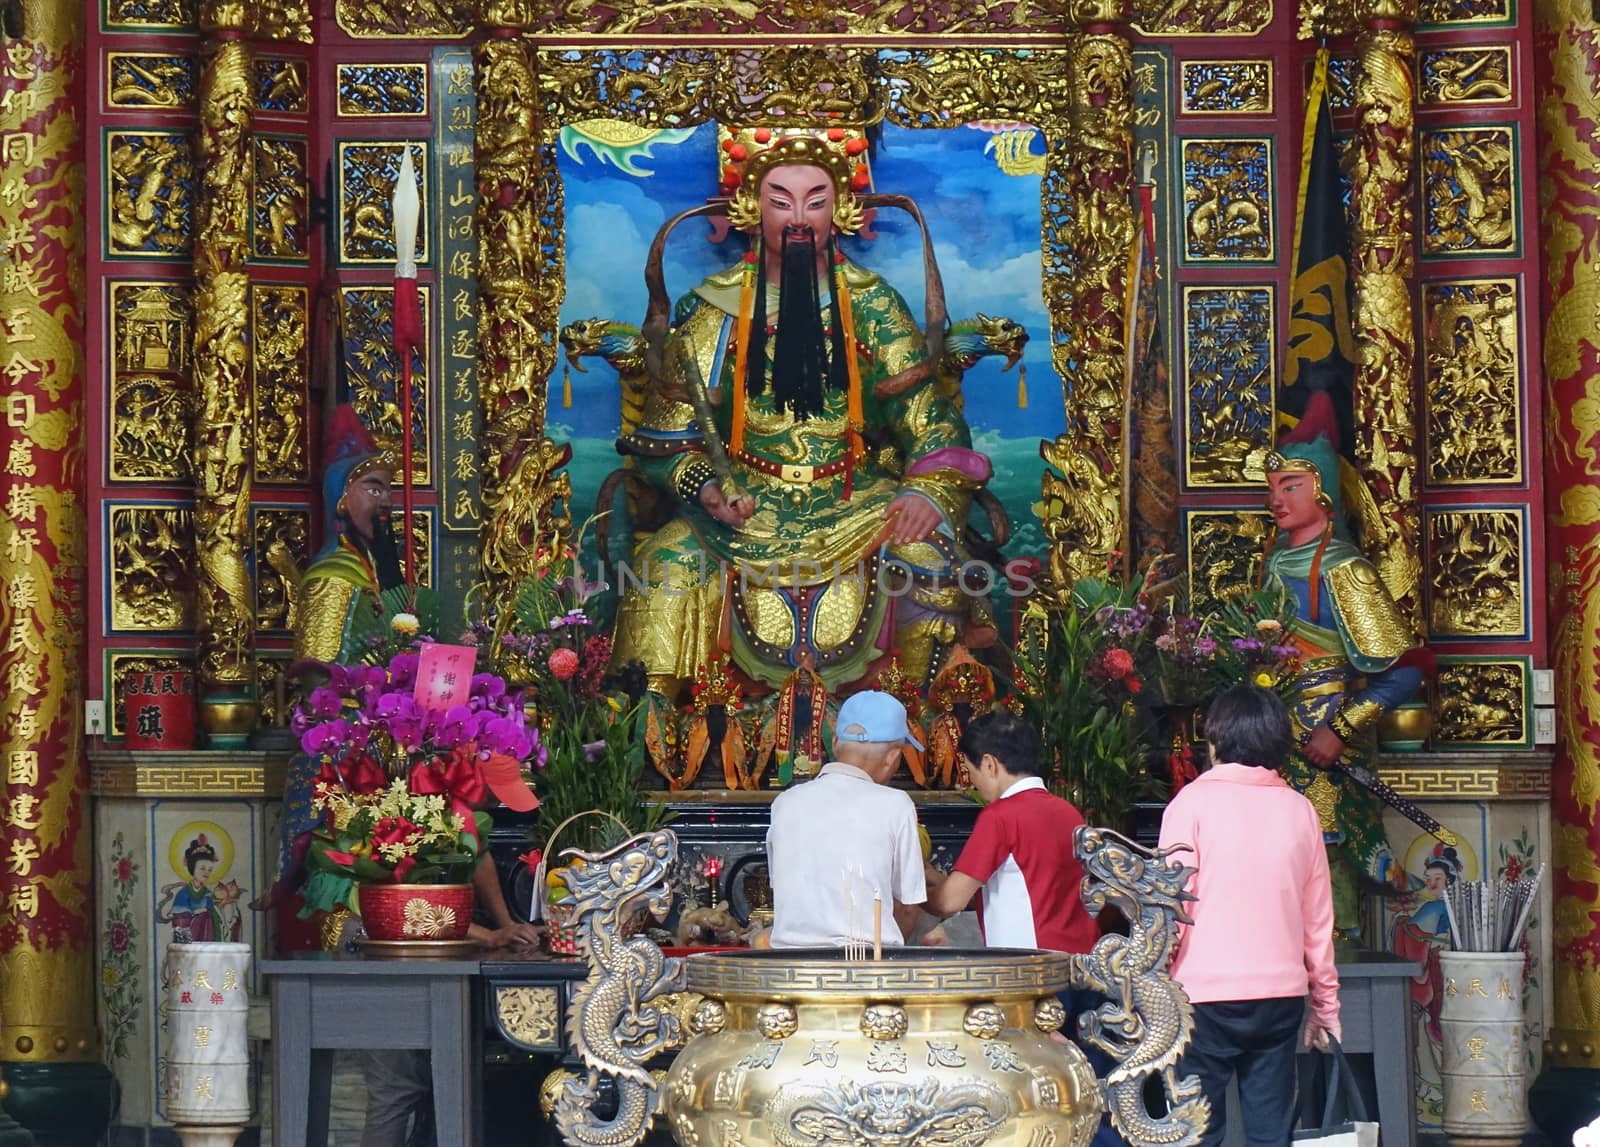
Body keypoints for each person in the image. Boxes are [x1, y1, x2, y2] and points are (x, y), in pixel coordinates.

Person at [613, 128, 995, 698]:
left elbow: (929, 421)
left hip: (855, 504)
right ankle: (644, 735)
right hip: (742, 508)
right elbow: (669, 440)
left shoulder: (872, 304)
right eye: (781, 201)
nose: (799, 218)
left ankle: (926, 723)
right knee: (661, 574)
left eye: (816, 201)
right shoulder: (711, 307)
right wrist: (705, 489)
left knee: (926, 559)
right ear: (750, 208)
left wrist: (925, 492)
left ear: (838, 211)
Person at [1262, 391, 1424, 937]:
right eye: (1272, 488)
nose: (1277, 500)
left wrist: (1340, 727)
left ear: (1323, 492)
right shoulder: (1274, 566)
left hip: (1325, 747)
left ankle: (1342, 994)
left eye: (1290, 487)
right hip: (1272, 749)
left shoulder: (1344, 568)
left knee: (1326, 873)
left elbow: (1405, 670)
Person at [1159, 684, 1341, 1147]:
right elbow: (1318, 921)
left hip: (1202, 1000)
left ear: (1215, 741)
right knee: (1270, 1132)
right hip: (1280, 997)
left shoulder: (1190, 805)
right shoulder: (1301, 811)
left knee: (1197, 1133)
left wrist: (1154, 982)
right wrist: (1326, 1008)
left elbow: (1172, 908)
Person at [920, 711, 1097, 954]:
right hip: (1080, 961)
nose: (972, 783)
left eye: (971, 772)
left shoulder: (1000, 817)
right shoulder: (1068, 812)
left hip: (1032, 968)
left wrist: (907, 892)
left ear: (989, 764)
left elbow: (948, 902)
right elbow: (1010, 886)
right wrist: (934, 878)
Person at [765, 691, 926, 948]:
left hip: (790, 970)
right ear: (892, 758)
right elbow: (908, 908)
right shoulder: (896, 805)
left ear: (837, 741)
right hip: (865, 971)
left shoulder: (784, 803)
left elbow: (783, 890)